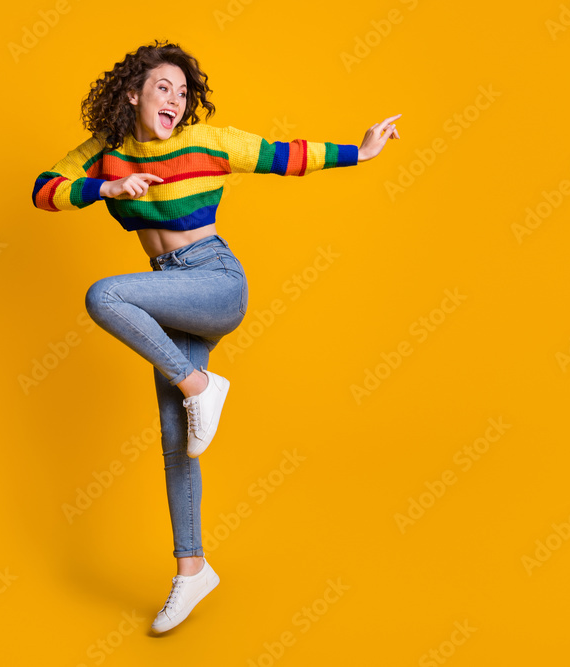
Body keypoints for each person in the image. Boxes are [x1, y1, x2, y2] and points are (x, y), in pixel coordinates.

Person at [31, 39, 399, 634]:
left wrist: (359, 151)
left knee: (105, 295)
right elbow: (44, 189)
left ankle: (200, 383)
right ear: (134, 93)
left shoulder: (207, 142)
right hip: (164, 293)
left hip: (214, 281)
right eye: (163, 88)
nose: (175, 99)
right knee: (179, 439)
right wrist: (104, 188)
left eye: (182, 91)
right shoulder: (106, 153)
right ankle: (192, 568)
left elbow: (281, 155)